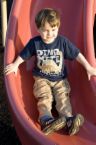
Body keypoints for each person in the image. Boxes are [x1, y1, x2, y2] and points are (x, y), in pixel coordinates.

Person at [4, 8, 96, 136]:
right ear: (38, 29)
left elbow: (76, 54)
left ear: (58, 28)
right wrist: (15, 64)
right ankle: (46, 120)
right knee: (44, 96)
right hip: (42, 78)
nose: (50, 34)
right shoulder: (35, 43)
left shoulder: (62, 42)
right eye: (46, 30)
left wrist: (88, 67)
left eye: (54, 30)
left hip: (60, 79)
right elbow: (24, 55)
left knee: (63, 97)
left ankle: (68, 120)